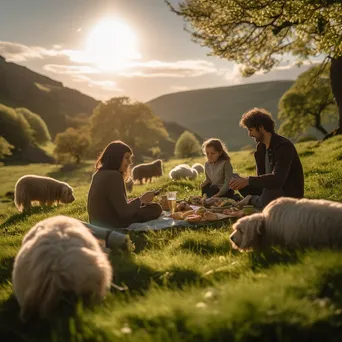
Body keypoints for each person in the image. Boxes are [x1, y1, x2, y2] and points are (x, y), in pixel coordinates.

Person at [229, 108, 304, 209]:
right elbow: (262, 179)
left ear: (261, 128)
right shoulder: (261, 148)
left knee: (270, 190)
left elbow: (278, 180)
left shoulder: (284, 146)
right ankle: (257, 200)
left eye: (251, 130)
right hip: (268, 191)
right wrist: (243, 181)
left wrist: (248, 180)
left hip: (287, 194)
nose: (249, 134)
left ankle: (252, 200)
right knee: (236, 179)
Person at [87, 141, 162, 229]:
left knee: (148, 206)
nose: (130, 162)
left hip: (97, 222)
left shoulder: (98, 174)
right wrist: (141, 200)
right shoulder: (114, 176)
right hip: (111, 223)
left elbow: (116, 203)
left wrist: (137, 202)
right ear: (116, 157)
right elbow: (124, 212)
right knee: (155, 208)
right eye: (126, 158)